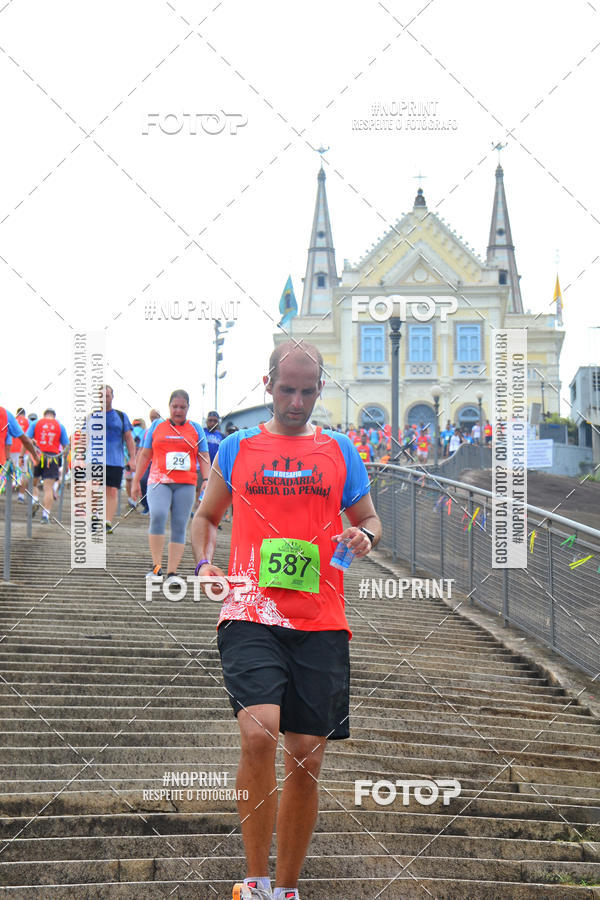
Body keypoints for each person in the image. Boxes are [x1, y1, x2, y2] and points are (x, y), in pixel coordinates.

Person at [191, 340, 381, 900]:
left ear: (320, 388)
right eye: (286, 389)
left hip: (320, 618)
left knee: (306, 753)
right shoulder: (237, 447)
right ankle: (253, 881)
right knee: (259, 732)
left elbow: (368, 517)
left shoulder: (340, 450)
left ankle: (287, 888)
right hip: (250, 611)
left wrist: (363, 536)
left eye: (307, 390)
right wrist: (204, 562)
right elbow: (206, 515)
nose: (296, 401)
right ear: (267, 384)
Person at [132, 390, 209, 581]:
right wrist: (135, 480)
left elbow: (204, 456)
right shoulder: (158, 426)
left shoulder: (196, 429)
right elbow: (145, 455)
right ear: (169, 407)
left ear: (188, 408)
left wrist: (206, 480)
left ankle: (172, 572)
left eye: (182, 407)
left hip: (186, 483)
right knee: (157, 515)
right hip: (159, 480)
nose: (178, 411)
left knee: (179, 525)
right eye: (175, 407)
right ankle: (157, 567)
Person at [99, 385, 136, 534]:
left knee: (112, 491)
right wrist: (80, 458)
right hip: (95, 459)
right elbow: (84, 438)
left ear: (112, 397)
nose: (104, 399)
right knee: (94, 487)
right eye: (101, 396)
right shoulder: (92, 417)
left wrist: (132, 458)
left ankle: (107, 522)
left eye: (106, 396)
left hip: (115, 460)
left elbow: (128, 438)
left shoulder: (121, 416)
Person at [26, 408, 67, 523]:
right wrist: (66, 463)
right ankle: (45, 516)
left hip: (37, 455)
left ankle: (34, 500)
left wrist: (22, 456)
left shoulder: (35, 423)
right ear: (54, 416)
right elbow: (66, 447)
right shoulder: (60, 426)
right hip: (52, 458)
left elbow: (26, 440)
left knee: (33, 483)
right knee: (48, 488)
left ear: (44, 415)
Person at [138, 410, 161, 515]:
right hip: (149, 461)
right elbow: (142, 448)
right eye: (151, 418)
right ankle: (146, 505)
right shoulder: (147, 431)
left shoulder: (164, 428)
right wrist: (137, 459)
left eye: (155, 417)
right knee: (143, 481)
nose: (153, 420)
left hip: (161, 462)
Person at [9, 408, 30, 499]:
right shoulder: (28, 422)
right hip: (24, 451)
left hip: (11, 449)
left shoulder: (12, 420)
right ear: (24, 414)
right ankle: (21, 496)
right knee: (24, 472)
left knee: (9, 470)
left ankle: (13, 483)